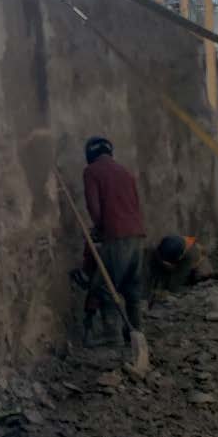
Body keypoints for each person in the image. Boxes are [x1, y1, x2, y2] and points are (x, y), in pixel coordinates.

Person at [80, 136, 145, 347]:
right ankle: (135, 332)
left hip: (117, 237)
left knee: (106, 288)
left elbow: (94, 208)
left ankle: (112, 335)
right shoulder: (125, 172)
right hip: (137, 236)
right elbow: (134, 204)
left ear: (90, 154)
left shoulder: (91, 172)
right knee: (132, 289)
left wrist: (99, 229)